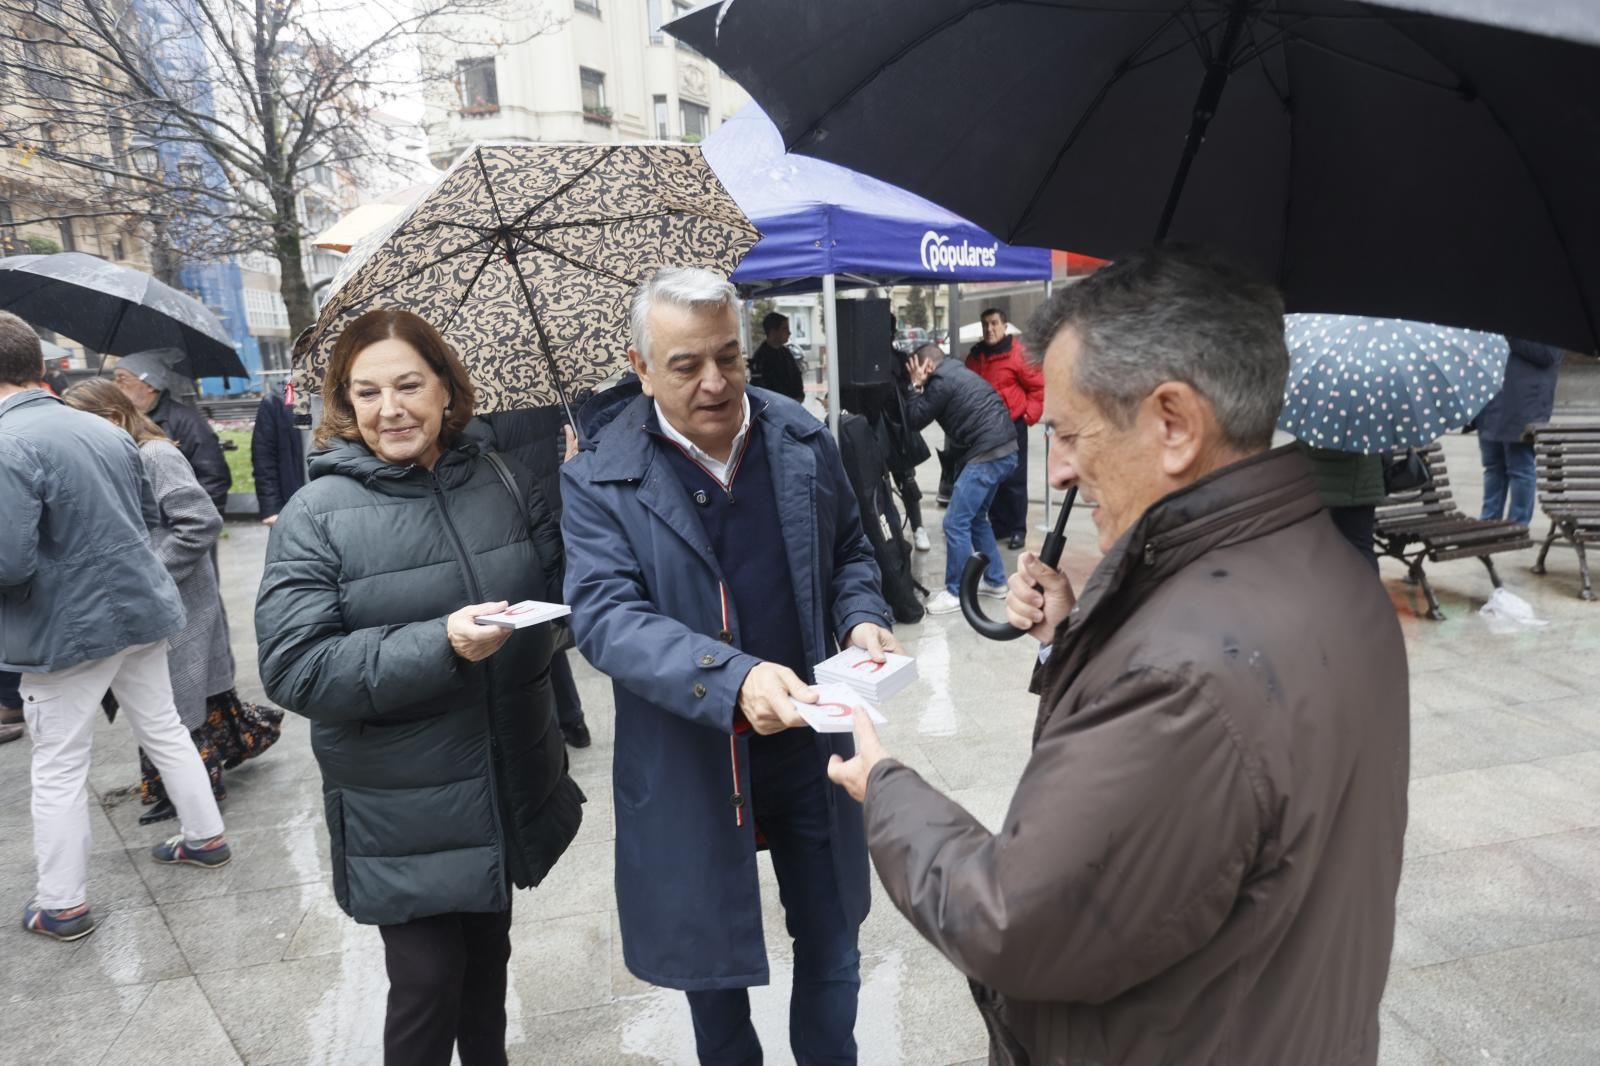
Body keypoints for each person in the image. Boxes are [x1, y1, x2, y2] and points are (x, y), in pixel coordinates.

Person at [827, 247, 1409, 1066]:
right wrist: (1078, 633)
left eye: (1069, 433)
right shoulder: (1335, 576)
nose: (1059, 466)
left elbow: (1013, 920)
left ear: (1173, 423)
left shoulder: (1181, 675)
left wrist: (884, 790)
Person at [561, 267, 898, 1066]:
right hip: (693, 753)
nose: (715, 382)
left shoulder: (799, 436)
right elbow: (606, 619)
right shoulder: (597, 477)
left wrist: (862, 616)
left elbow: (851, 549)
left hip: (809, 744)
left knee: (834, 942)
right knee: (711, 974)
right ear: (641, 368)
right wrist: (735, 677)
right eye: (685, 365)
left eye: (729, 357)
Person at [255, 308, 584, 1066]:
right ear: (343, 400)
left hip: (501, 780)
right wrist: (440, 643)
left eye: (408, 384)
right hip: (401, 804)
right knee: (428, 986)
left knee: (487, 972)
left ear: (446, 388)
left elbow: (567, 604)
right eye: (365, 392)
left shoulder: (504, 479)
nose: (389, 408)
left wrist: (588, 495)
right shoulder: (317, 515)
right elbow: (295, 665)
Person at [0, 311, 233, 944]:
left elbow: (10, 562)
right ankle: (205, 837)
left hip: (66, 628)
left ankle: (62, 904)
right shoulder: (105, 430)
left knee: (57, 765)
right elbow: (134, 519)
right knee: (163, 727)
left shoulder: (7, 442)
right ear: (40, 367)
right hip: (137, 609)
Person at [63, 379, 284, 824]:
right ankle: (192, 782)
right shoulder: (119, 458)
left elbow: (199, 521)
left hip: (180, 600)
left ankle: (196, 794)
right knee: (180, 700)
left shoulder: (154, 455)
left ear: (111, 419)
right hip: (160, 600)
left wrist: (148, 573)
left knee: (179, 700)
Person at [902, 342, 1019, 614]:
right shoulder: (957, 371)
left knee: (955, 522)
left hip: (987, 452)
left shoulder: (940, 381)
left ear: (927, 366)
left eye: (914, 367)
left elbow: (915, 419)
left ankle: (957, 592)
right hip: (1005, 449)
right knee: (976, 518)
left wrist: (913, 386)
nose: (912, 372)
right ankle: (996, 581)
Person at [112, 348, 232, 514]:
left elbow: (214, 477)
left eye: (122, 379)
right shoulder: (121, 420)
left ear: (149, 385)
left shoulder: (187, 422)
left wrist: (194, 522)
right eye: (115, 379)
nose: (116, 386)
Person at [967, 308, 1045, 549]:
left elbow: (1039, 388)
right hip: (986, 429)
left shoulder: (1018, 354)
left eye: (994, 323)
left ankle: (1017, 529)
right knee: (993, 479)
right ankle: (999, 525)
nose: (989, 329)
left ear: (1004, 326)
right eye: (985, 324)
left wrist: (1027, 416)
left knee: (1014, 480)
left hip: (1012, 425)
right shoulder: (976, 356)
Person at [1477, 337, 1561, 526]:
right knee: (1493, 467)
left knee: (1520, 468)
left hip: (1524, 403)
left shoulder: (1554, 317)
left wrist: (1508, 333)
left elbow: (1546, 355)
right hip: (1492, 401)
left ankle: (1518, 524)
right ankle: (1488, 522)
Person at [1299, 445, 1386, 567]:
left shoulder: (1311, 429)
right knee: (1361, 548)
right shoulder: (1368, 427)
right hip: (1361, 490)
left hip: (1320, 491)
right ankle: (1369, 585)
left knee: (1318, 549)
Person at [251, 377, 306, 526]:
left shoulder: (342, 395)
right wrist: (271, 508)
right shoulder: (277, 402)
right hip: (294, 504)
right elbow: (264, 458)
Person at [748, 310, 806, 403]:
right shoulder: (761, 358)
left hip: (792, 406)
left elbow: (796, 375)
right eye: (785, 328)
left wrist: (799, 395)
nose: (789, 332)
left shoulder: (786, 352)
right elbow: (762, 388)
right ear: (773, 331)